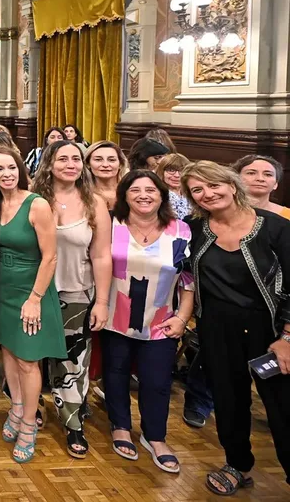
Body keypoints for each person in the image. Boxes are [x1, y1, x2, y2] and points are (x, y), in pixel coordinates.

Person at [182, 161, 290, 493]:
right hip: (217, 330)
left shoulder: (275, 228)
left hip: (269, 333)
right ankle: (237, 464)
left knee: (283, 406)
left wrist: (287, 337)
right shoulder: (193, 228)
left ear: (231, 184)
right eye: (197, 190)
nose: (207, 193)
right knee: (228, 401)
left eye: (213, 185)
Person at [102, 170, 191, 473]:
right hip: (114, 317)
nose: (143, 195)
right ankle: (120, 426)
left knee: (157, 381)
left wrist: (183, 317)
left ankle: (155, 437)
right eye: (135, 190)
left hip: (161, 321)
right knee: (116, 373)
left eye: (151, 190)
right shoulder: (111, 225)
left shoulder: (180, 230)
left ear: (162, 195)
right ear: (124, 195)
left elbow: (188, 280)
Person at [0, 148, 65, 463]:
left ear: (20, 169)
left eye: (11, 167)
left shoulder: (37, 204)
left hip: (31, 290)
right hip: (2, 288)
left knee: (28, 360)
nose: (6, 174)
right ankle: (16, 407)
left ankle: (29, 423)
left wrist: (35, 299)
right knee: (8, 350)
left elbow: (50, 257)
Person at [30, 141, 112, 458]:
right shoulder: (34, 198)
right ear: (49, 164)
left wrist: (102, 301)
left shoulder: (94, 202)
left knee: (73, 362)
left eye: (76, 159)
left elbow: (101, 256)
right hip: (36, 290)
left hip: (76, 290)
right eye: (62, 158)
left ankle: (72, 422)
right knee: (31, 354)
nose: (70, 164)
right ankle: (31, 406)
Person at [233, 154, 290, 219]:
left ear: (275, 184)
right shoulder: (224, 212)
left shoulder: (288, 215)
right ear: (236, 179)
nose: (260, 179)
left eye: (268, 175)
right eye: (251, 173)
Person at [85, 141, 128, 211]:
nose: (105, 165)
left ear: (121, 164)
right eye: (98, 160)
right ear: (88, 164)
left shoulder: (130, 190)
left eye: (111, 160)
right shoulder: (81, 193)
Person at [155, 153, 192, 220]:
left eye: (181, 170)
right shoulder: (158, 193)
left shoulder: (190, 193)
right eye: (171, 170)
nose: (177, 175)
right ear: (161, 172)